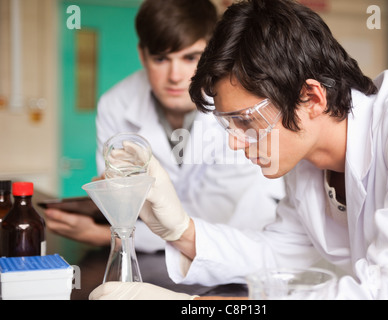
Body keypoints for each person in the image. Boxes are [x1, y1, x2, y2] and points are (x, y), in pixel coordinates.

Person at [90, 0, 388, 300]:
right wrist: (180, 230)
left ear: (311, 97)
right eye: (228, 124)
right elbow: (279, 254)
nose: (234, 140)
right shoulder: (306, 159)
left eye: (245, 120)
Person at [44, 0, 284, 255]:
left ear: (212, 52)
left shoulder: (237, 107)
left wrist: (106, 236)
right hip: (155, 252)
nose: (175, 76)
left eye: (190, 57)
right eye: (160, 59)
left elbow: (211, 218)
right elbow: (122, 206)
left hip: (240, 248)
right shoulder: (116, 105)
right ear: (142, 55)